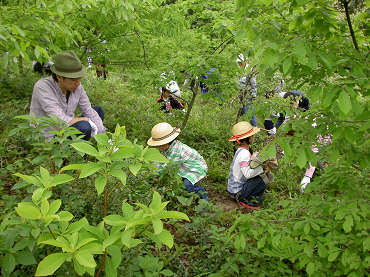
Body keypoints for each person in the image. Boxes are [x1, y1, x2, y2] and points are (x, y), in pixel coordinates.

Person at [30, 50, 106, 140]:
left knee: (97, 111)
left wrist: (103, 135)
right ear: (59, 77)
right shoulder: (43, 87)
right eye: (74, 80)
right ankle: (78, 152)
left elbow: (88, 110)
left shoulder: (77, 87)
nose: (78, 83)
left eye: (79, 78)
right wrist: (84, 120)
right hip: (50, 136)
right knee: (84, 126)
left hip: (68, 125)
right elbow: (60, 120)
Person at [147, 122, 209, 201]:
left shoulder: (176, 151)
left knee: (187, 185)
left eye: (158, 145)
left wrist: (149, 174)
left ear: (165, 144)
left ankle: (203, 197)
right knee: (178, 180)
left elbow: (166, 166)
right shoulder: (170, 147)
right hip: (186, 166)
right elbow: (161, 160)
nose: (158, 147)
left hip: (196, 168)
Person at [228, 121, 276, 210]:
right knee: (262, 179)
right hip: (237, 192)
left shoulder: (240, 151)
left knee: (261, 176)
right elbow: (247, 174)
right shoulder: (244, 153)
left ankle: (249, 198)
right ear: (250, 137)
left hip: (233, 189)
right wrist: (262, 169)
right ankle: (248, 201)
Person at [236, 54, 257, 127]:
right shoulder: (239, 70)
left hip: (248, 93)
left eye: (241, 62)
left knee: (249, 110)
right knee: (241, 109)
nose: (239, 64)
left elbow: (253, 83)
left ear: (246, 61)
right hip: (241, 93)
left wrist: (253, 94)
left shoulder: (250, 70)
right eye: (239, 62)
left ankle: (254, 127)